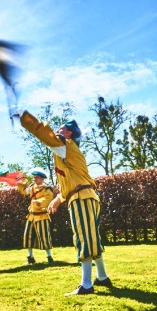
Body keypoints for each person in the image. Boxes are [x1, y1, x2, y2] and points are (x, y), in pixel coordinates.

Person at [20, 111, 113, 295]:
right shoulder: (67, 152)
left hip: (82, 199)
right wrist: (57, 199)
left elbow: (44, 133)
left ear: (68, 133)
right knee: (91, 237)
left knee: (84, 238)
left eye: (61, 128)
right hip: (85, 196)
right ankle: (102, 277)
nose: (57, 130)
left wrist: (25, 119)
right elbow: (70, 183)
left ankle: (86, 285)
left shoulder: (64, 143)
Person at [17, 168, 55, 264]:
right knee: (27, 236)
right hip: (31, 216)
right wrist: (21, 180)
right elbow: (24, 191)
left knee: (44, 237)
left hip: (42, 216)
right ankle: (30, 258)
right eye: (34, 177)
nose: (34, 179)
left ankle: (50, 257)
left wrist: (38, 202)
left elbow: (48, 198)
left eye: (36, 178)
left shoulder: (47, 189)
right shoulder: (32, 187)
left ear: (42, 179)